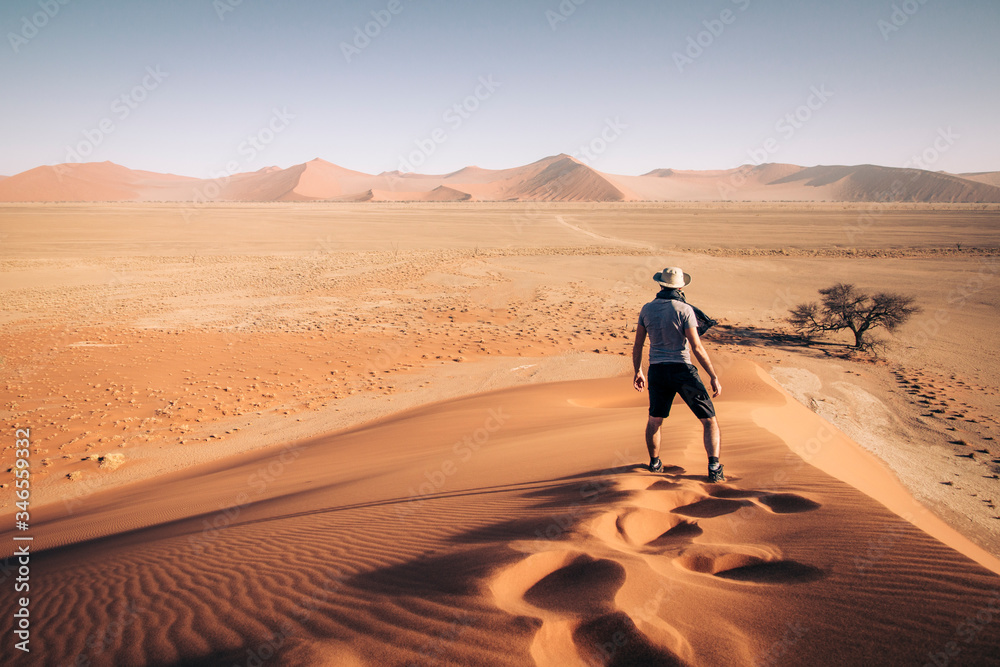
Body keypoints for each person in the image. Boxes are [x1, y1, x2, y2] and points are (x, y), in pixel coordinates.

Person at [632, 267, 724, 482]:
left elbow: (638, 345)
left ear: (660, 284)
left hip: (657, 370)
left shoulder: (647, 309)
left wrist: (638, 371)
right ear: (681, 286)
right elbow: (697, 347)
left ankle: (655, 464)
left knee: (655, 420)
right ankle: (714, 467)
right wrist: (713, 375)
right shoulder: (684, 310)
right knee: (709, 420)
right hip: (683, 370)